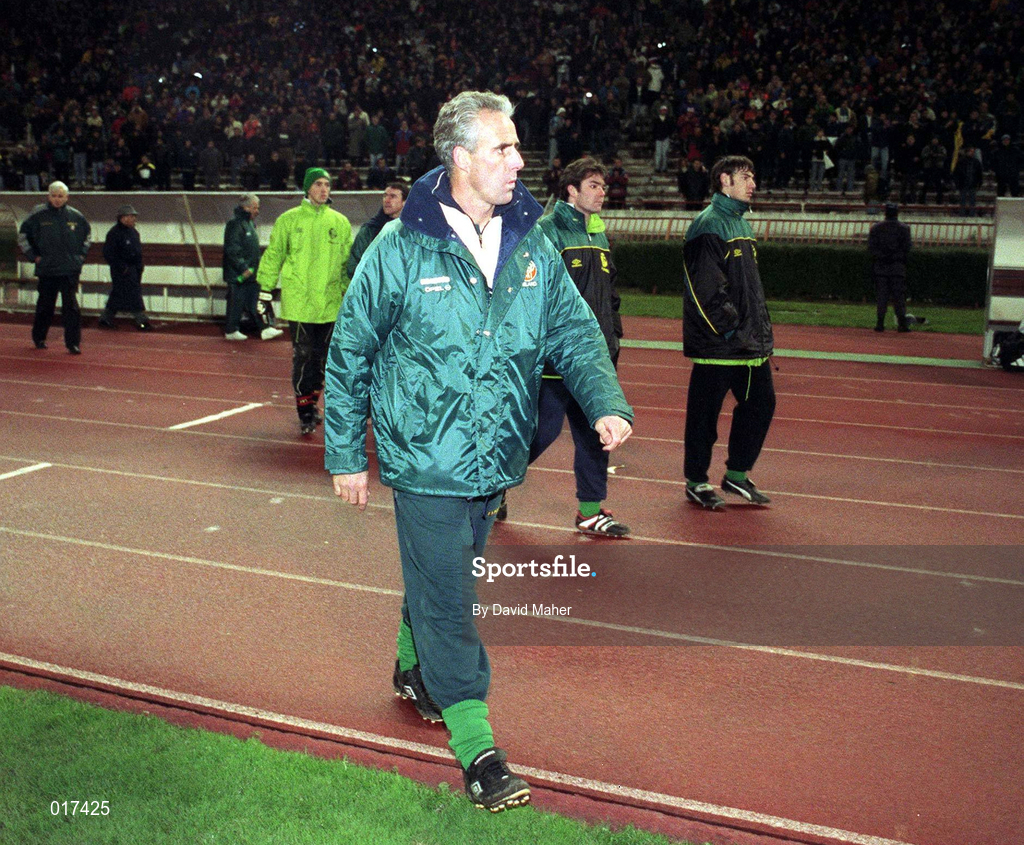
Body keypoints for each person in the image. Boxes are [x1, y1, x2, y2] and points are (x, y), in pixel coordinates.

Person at [324, 91, 632, 813]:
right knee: (452, 601)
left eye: (517, 146)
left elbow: (574, 328)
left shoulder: (531, 240)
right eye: (504, 147)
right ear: (461, 157)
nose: (519, 161)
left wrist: (605, 400)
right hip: (424, 457)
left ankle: (410, 667)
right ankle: (478, 749)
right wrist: (346, 454)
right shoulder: (399, 247)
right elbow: (351, 349)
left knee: (444, 575)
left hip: (495, 455)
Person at [501, 156, 628, 535]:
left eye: (603, 186)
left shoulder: (597, 235)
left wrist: (613, 336)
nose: (602, 192)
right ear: (571, 190)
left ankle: (590, 511)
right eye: (593, 186)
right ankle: (493, 485)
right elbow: (530, 294)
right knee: (540, 432)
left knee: (595, 435)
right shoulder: (547, 232)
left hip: (594, 357)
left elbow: (610, 294)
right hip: (555, 358)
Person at [682, 155, 775, 510]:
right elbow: (706, 289)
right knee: (704, 418)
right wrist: (731, 328)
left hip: (748, 345)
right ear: (724, 180)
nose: (753, 184)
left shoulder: (741, 225)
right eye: (745, 177)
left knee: (761, 404)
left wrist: (756, 330)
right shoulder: (708, 224)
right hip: (719, 346)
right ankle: (696, 481)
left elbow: (748, 287)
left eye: (753, 177)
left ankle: (736, 474)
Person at [257, 167, 353, 435]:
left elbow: (346, 264)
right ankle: (305, 411)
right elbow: (274, 254)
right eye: (318, 184)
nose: (324, 189)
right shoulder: (288, 220)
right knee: (303, 356)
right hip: (299, 302)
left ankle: (313, 402)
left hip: (329, 304)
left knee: (323, 360)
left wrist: (350, 294)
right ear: (308, 188)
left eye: (327, 185)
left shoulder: (340, 222)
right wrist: (265, 290)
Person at [18, 181, 91, 354]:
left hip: (69, 270)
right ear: (48, 196)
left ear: (67, 197)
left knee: (71, 307)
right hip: (47, 269)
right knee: (45, 306)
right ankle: (39, 338)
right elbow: (23, 237)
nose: (57, 199)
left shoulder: (76, 216)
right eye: (54, 196)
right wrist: (34, 257)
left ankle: (73, 343)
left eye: (61, 196)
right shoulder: (37, 214)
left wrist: (80, 257)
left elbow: (87, 237)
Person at [223, 194, 281, 341]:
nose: (257, 211)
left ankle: (265, 328)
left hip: (252, 272)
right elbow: (232, 249)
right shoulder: (235, 225)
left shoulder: (250, 224)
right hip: (239, 274)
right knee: (236, 302)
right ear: (246, 207)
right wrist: (243, 268)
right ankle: (231, 330)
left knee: (256, 300)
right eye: (255, 208)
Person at [98, 204, 152, 331]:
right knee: (134, 294)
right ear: (123, 218)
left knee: (118, 294)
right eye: (131, 216)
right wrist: (122, 267)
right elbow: (108, 253)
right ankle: (142, 320)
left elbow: (137, 251)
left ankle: (105, 319)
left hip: (134, 268)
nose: (134, 219)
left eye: (134, 216)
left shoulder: (134, 232)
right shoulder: (114, 233)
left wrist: (139, 267)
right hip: (122, 269)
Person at [346, 181, 408, 278]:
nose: (387, 200)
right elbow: (354, 265)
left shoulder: (413, 231)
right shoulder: (370, 230)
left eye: (393, 196)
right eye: (385, 196)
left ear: (404, 202)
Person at [868, 203, 912, 333]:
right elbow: (907, 248)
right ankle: (902, 324)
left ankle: (880, 323)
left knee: (882, 296)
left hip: (881, 266)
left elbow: (871, 248)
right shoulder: (904, 228)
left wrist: (882, 257)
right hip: (897, 267)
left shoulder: (876, 228)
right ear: (897, 213)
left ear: (885, 213)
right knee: (899, 297)